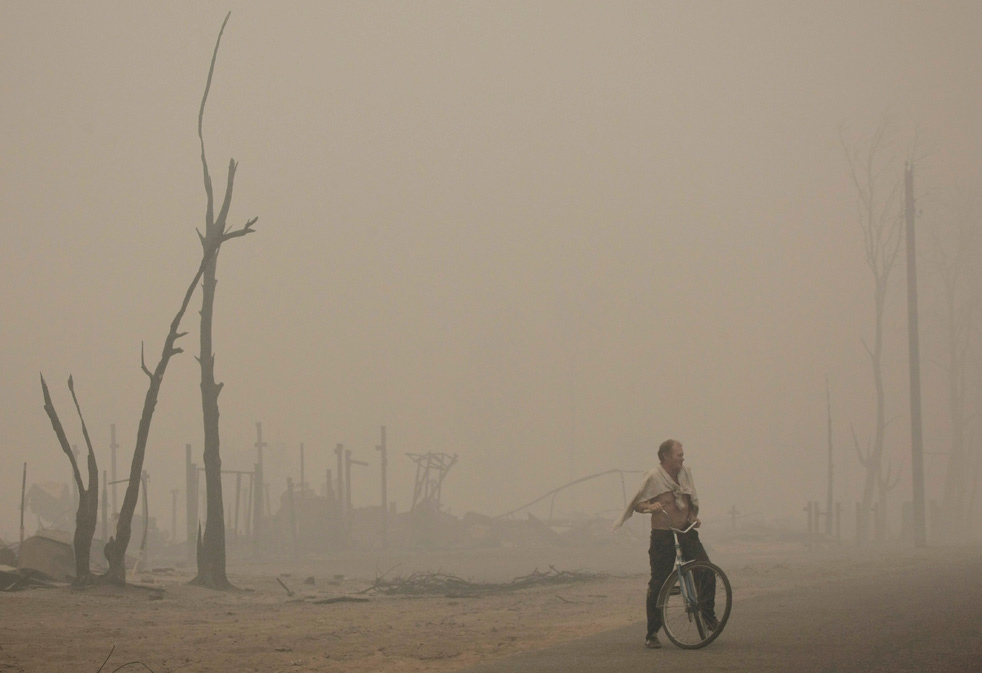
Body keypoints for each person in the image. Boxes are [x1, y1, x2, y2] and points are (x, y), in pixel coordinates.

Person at [612, 439, 714, 649]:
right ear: (666, 456)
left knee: (706, 570)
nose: (682, 457)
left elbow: (691, 502)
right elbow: (638, 504)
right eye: (679, 454)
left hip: (686, 531)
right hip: (663, 536)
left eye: (682, 454)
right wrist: (651, 506)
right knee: (659, 582)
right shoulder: (653, 477)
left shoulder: (685, 474)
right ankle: (652, 633)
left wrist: (693, 516)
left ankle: (707, 613)